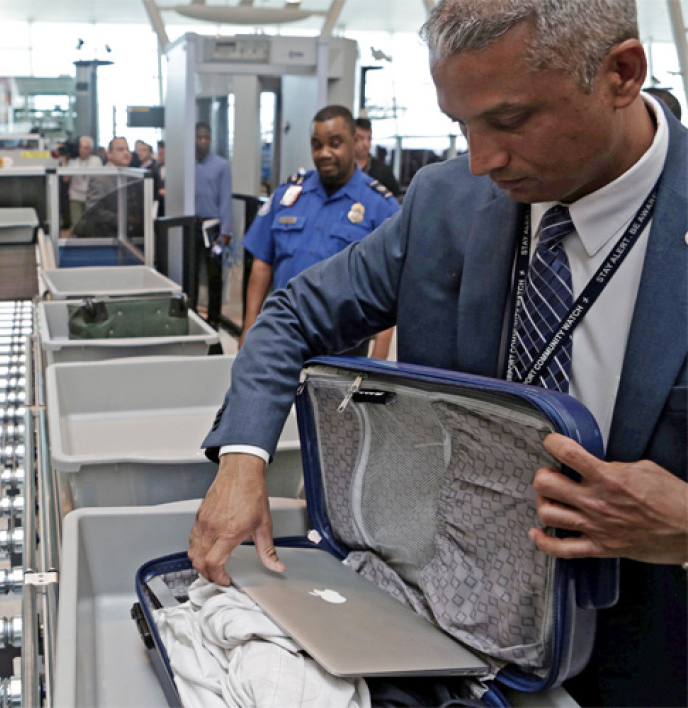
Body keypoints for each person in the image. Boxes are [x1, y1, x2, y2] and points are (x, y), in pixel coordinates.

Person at [188, 2, 687, 706]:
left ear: (621, 73)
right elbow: (293, 315)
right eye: (462, 126)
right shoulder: (446, 203)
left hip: (650, 661)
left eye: (510, 122)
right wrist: (243, 459)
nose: (483, 160)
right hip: (449, 639)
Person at [240, 105, 399, 358]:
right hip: (281, 335)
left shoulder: (380, 206)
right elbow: (262, 263)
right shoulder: (287, 195)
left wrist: (376, 364)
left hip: (344, 346)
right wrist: (249, 327)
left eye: (335, 143)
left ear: (354, 141)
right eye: (317, 145)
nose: (324, 153)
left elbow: (389, 289)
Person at [194, 122, 233, 326]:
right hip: (191, 227)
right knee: (190, 273)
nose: (202, 141)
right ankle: (191, 314)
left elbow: (226, 199)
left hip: (213, 229)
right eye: (199, 137)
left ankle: (214, 321)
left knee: (214, 277)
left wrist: (226, 231)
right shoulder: (186, 164)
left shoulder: (221, 165)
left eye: (206, 138)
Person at [73, 137, 143, 241]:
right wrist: (122, 221)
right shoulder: (100, 177)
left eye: (127, 149)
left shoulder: (135, 176)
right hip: (107, 238)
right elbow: (94, 209)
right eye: (120, 149)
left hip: (133, 238)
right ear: (109, 154)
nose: (126, 153)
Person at [354, 117, 401, 197]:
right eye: (361, 138)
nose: (366, 144)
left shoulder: (383, 171)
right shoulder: (343, 169)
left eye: (369, 138)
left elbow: (395, 199)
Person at [66, 136, 103, 226]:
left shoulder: (96, 161)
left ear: (91, 149)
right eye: (80, 147)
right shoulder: (73, 161)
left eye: (86, 148)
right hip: (75, 196)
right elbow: (65, 178)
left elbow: (101, 178)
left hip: (91, 196)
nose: (82, 150)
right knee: (77, 223)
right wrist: (64, 159)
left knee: (90, 223)